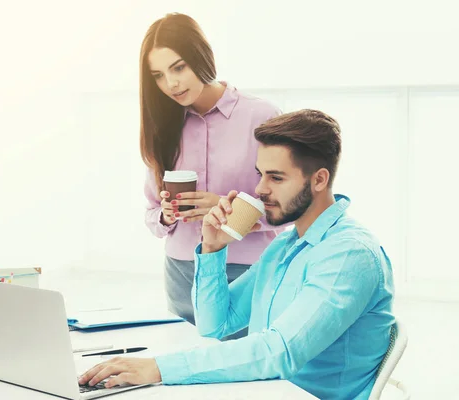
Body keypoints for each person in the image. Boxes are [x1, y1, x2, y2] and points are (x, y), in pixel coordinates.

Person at [80, 109, 396, 400]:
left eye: (276, 177)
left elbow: (280, 351)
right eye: (260, 174)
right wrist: (213, 248)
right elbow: (216, 324)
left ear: (319, 179)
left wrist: (159, 368)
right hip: (262, 390)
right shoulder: (286, 245)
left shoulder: (349, 253)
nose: (259, 189)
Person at [140, 12, 283, 337]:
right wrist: (164, 216)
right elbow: (151, 214)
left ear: (201, 56)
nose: (171, 83)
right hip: (181, 270)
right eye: (158, 75)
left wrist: (229, 210)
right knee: (182, 373)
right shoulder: (161, 127)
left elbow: (289, 212)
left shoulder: (261, 116)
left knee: (241, 375)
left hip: (245, 270)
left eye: (178, 67)